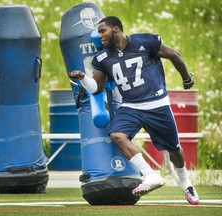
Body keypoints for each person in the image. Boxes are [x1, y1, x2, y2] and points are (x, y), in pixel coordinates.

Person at [68, 16, 199, 205]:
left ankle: (184, 181)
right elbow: (96, 87)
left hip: (157, 103)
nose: (99, 35)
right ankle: (150, 175)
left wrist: (186, 78)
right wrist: (82, 78)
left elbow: (173, 55)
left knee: (174, 149)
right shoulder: (102, 58)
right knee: (117, 134)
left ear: (116, 29)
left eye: (103, 30)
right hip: (131, 105)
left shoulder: (145, 41)